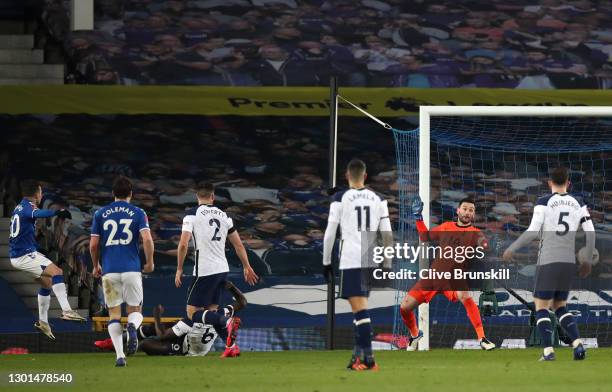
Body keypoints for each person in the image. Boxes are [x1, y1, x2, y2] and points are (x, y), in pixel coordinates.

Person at [503, 167, 595, 361]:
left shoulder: (544, 202)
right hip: (568, 262)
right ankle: (578, 344)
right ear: (568, 183)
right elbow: (591, 232)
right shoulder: (579, 202)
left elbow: (533, 231)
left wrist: (512, 247)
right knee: (560, 305)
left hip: (548, 260)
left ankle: (548, 351)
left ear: (549, 183)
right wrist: (586, 259)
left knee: (541, 306)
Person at [322, 159, 393, 371]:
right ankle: (356, 359)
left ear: (346, 175)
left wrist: (326, 262)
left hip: (351, 258)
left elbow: (329, 234)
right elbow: (387, 236)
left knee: (360, 311)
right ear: (365, 176)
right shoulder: (379, 198)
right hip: (370, 259)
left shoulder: (340, 198)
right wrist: (387, 264)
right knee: (358, 310)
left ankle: (369, 359)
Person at [400, 197, 496, 351]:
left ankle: (482, 338)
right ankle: (415, 334)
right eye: (464, 208)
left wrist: (487, 245)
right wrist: (418, 218)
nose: (467, 212)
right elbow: (425, 237)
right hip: (434, 276)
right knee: (404, 307)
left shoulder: (475, 233)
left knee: (465, 296)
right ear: (458, 210)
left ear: (473, 215)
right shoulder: (446, 227)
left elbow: (484, 243)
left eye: (471, 210)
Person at [175, 182, 258, 358]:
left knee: (192, 313)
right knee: (210, 313)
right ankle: (232, 347)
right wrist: (246, 266)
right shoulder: (224, 216)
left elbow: (183, 244)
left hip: (204, 269)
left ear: (197, 197)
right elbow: (238, 245)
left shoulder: (192, 214)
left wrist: (179, 268)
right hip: (222, 268)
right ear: (213, 197)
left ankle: (226, 320)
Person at [90, 176, 155, 367]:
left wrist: (96, 265)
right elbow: (148, 240)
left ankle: (120, 356)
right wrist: (150, 262)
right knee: (135, 310)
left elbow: (93, 245)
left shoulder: (100, 213)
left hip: (109, 271)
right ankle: (133, 326)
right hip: (131, 269)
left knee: (114, 314)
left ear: (113, 194)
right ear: (131, 194)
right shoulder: (138, 212)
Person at [9, 180, 85, 340]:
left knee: (46, 283)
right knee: (57, 271)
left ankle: (43, 322)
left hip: (19, 255)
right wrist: (57, 212)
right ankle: (66, 311)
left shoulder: (20, 206)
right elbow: (38, 214)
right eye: (41, 191)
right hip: (24, 255)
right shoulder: (29, 207)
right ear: (37, 193)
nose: (42, 194)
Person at [94, 281, 247, 357]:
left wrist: (156, 315)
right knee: (155, 328)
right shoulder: (223, 311)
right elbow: (242, 303)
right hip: (191, 339)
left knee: (147, 343)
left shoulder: (194, 319)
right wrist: (232, 287)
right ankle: (117, 342)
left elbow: (162, 337)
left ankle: (123, 346)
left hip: (186, 350)